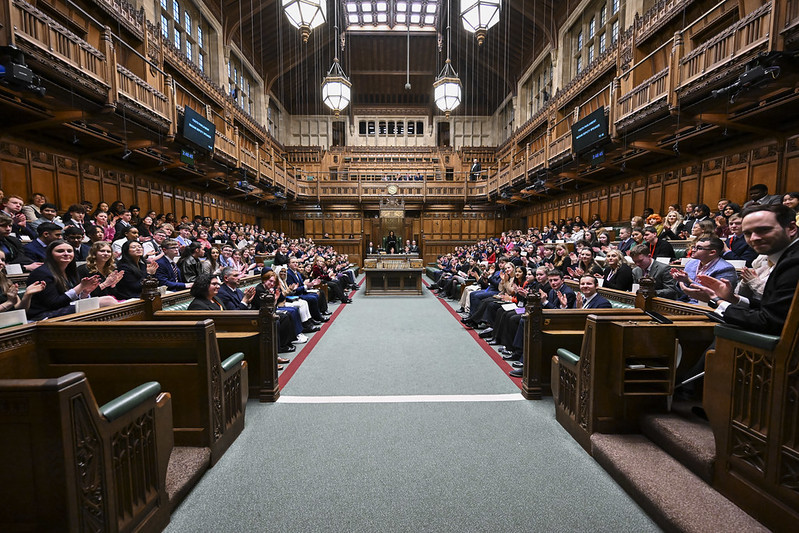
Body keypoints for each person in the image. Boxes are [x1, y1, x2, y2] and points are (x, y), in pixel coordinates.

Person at [681, 204, 799, 335]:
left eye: (764, 230)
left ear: (791, 229)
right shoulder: (785, 257)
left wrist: (716, 300)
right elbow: (773, 308)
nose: (754, 238)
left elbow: (770, 322)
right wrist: (731, 298)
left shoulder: (794, 262)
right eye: (748, 233)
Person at [25, 240, 110, 320]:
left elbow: (73, 299)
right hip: (43, 315)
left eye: (69, 251)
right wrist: (80, 287)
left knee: (108, 301)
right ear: (50, 254)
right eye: (60, 251)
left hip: (64, 308)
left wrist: (85, 293)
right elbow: (54, 304)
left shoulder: (70, 272)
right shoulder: (42, 273)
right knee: (106, 301)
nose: (66, 254)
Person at [671, 236, 737, 303]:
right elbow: (681, 291)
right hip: (686, 302)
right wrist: (679, 280)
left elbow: (717, 296)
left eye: (699, 248)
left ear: (712, 252)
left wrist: (688, 281)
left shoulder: (725, 269)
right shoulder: (691, 263)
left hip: (707, 306)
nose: (693, 250)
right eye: (694, 247)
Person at [0, 249, 46, 314]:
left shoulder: (5, 281)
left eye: (3, 260)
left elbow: (20, 309)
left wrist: (27, 294)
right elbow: (10, 303)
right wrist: (8, 303)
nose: (1, 262)